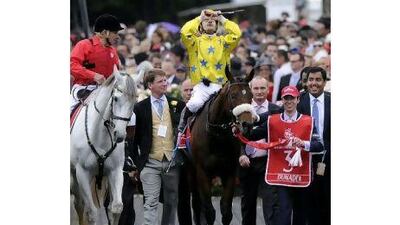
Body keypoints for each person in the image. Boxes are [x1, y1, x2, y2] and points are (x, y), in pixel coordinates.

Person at [238, 85, 324, 225]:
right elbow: (252, 135)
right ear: (282, 100)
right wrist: (239, 129)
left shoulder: (308, 121)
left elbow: (319, 145)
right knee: (283, 213)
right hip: (280, 176)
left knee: (300, 214)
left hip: (301, 176)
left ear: (297, 100)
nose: (289, 101)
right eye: (286, 98)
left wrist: (303, 143)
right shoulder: (273, 120)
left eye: (292, 98)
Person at [131, 69, 185, 225]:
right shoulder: (140, 108)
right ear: (150, 85)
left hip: (172, 163)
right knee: (150, 202)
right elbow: (134, 138)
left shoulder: (178, 105)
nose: (165, 83)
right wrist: (136, 163)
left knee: (171, 202)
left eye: (165, 80)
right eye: (160, 81)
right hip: (150, 163)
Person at [178, 8, 241, 133]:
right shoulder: (194, 42)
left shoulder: (224, 42)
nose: (210, 21)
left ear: (217, 24)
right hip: (202, 87)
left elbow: (237, 34)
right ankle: (182, 132)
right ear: (200, 25)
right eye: (206, 20)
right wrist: (199, 18)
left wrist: (222, 19)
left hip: (222, 87)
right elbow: (185, 32)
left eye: (213, 19)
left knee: (236, 110)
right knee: (194, 104)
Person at [238, 76, 281, 225]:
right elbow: (236, 136)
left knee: (271, 204)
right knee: (247, 205)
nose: (259, 91)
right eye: (256, 88)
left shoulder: (276, 110)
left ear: (268, 89)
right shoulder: (241, 110)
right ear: (250, 90)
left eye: (262, 88)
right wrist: (241, 154)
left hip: (269, 163)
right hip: (247, 163)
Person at [297, 66, 331, 225]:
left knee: (327, 202)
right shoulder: (298, 101)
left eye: (318, 80)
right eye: (311, 79)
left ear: (324, 82)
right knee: (306, 203)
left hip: (328, 159)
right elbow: (277, 114)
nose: (314, 83)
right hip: (305, 159)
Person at [70, 14, 123, 113]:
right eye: (115, 33)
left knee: (130, 116)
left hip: (107, 90)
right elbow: (72, 65)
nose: (118, 37)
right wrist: (93, 75)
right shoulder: (83, 45)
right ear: (104, 32)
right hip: (83, 88)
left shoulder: (113, 51)